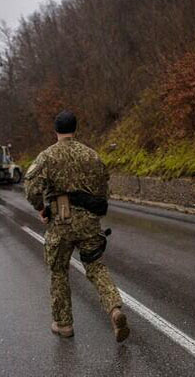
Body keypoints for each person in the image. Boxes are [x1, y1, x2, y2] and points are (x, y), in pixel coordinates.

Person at [24, 110, 129, 342]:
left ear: (55, 131)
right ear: (75, 129)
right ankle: (114, 309)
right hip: (89, 223)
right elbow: (103, 189)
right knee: (95, 267)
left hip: (61, 223)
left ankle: (64, 324)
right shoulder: (91, 155)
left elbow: (31, 188)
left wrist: (42, 208)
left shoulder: (47, 156)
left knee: (59, 271)